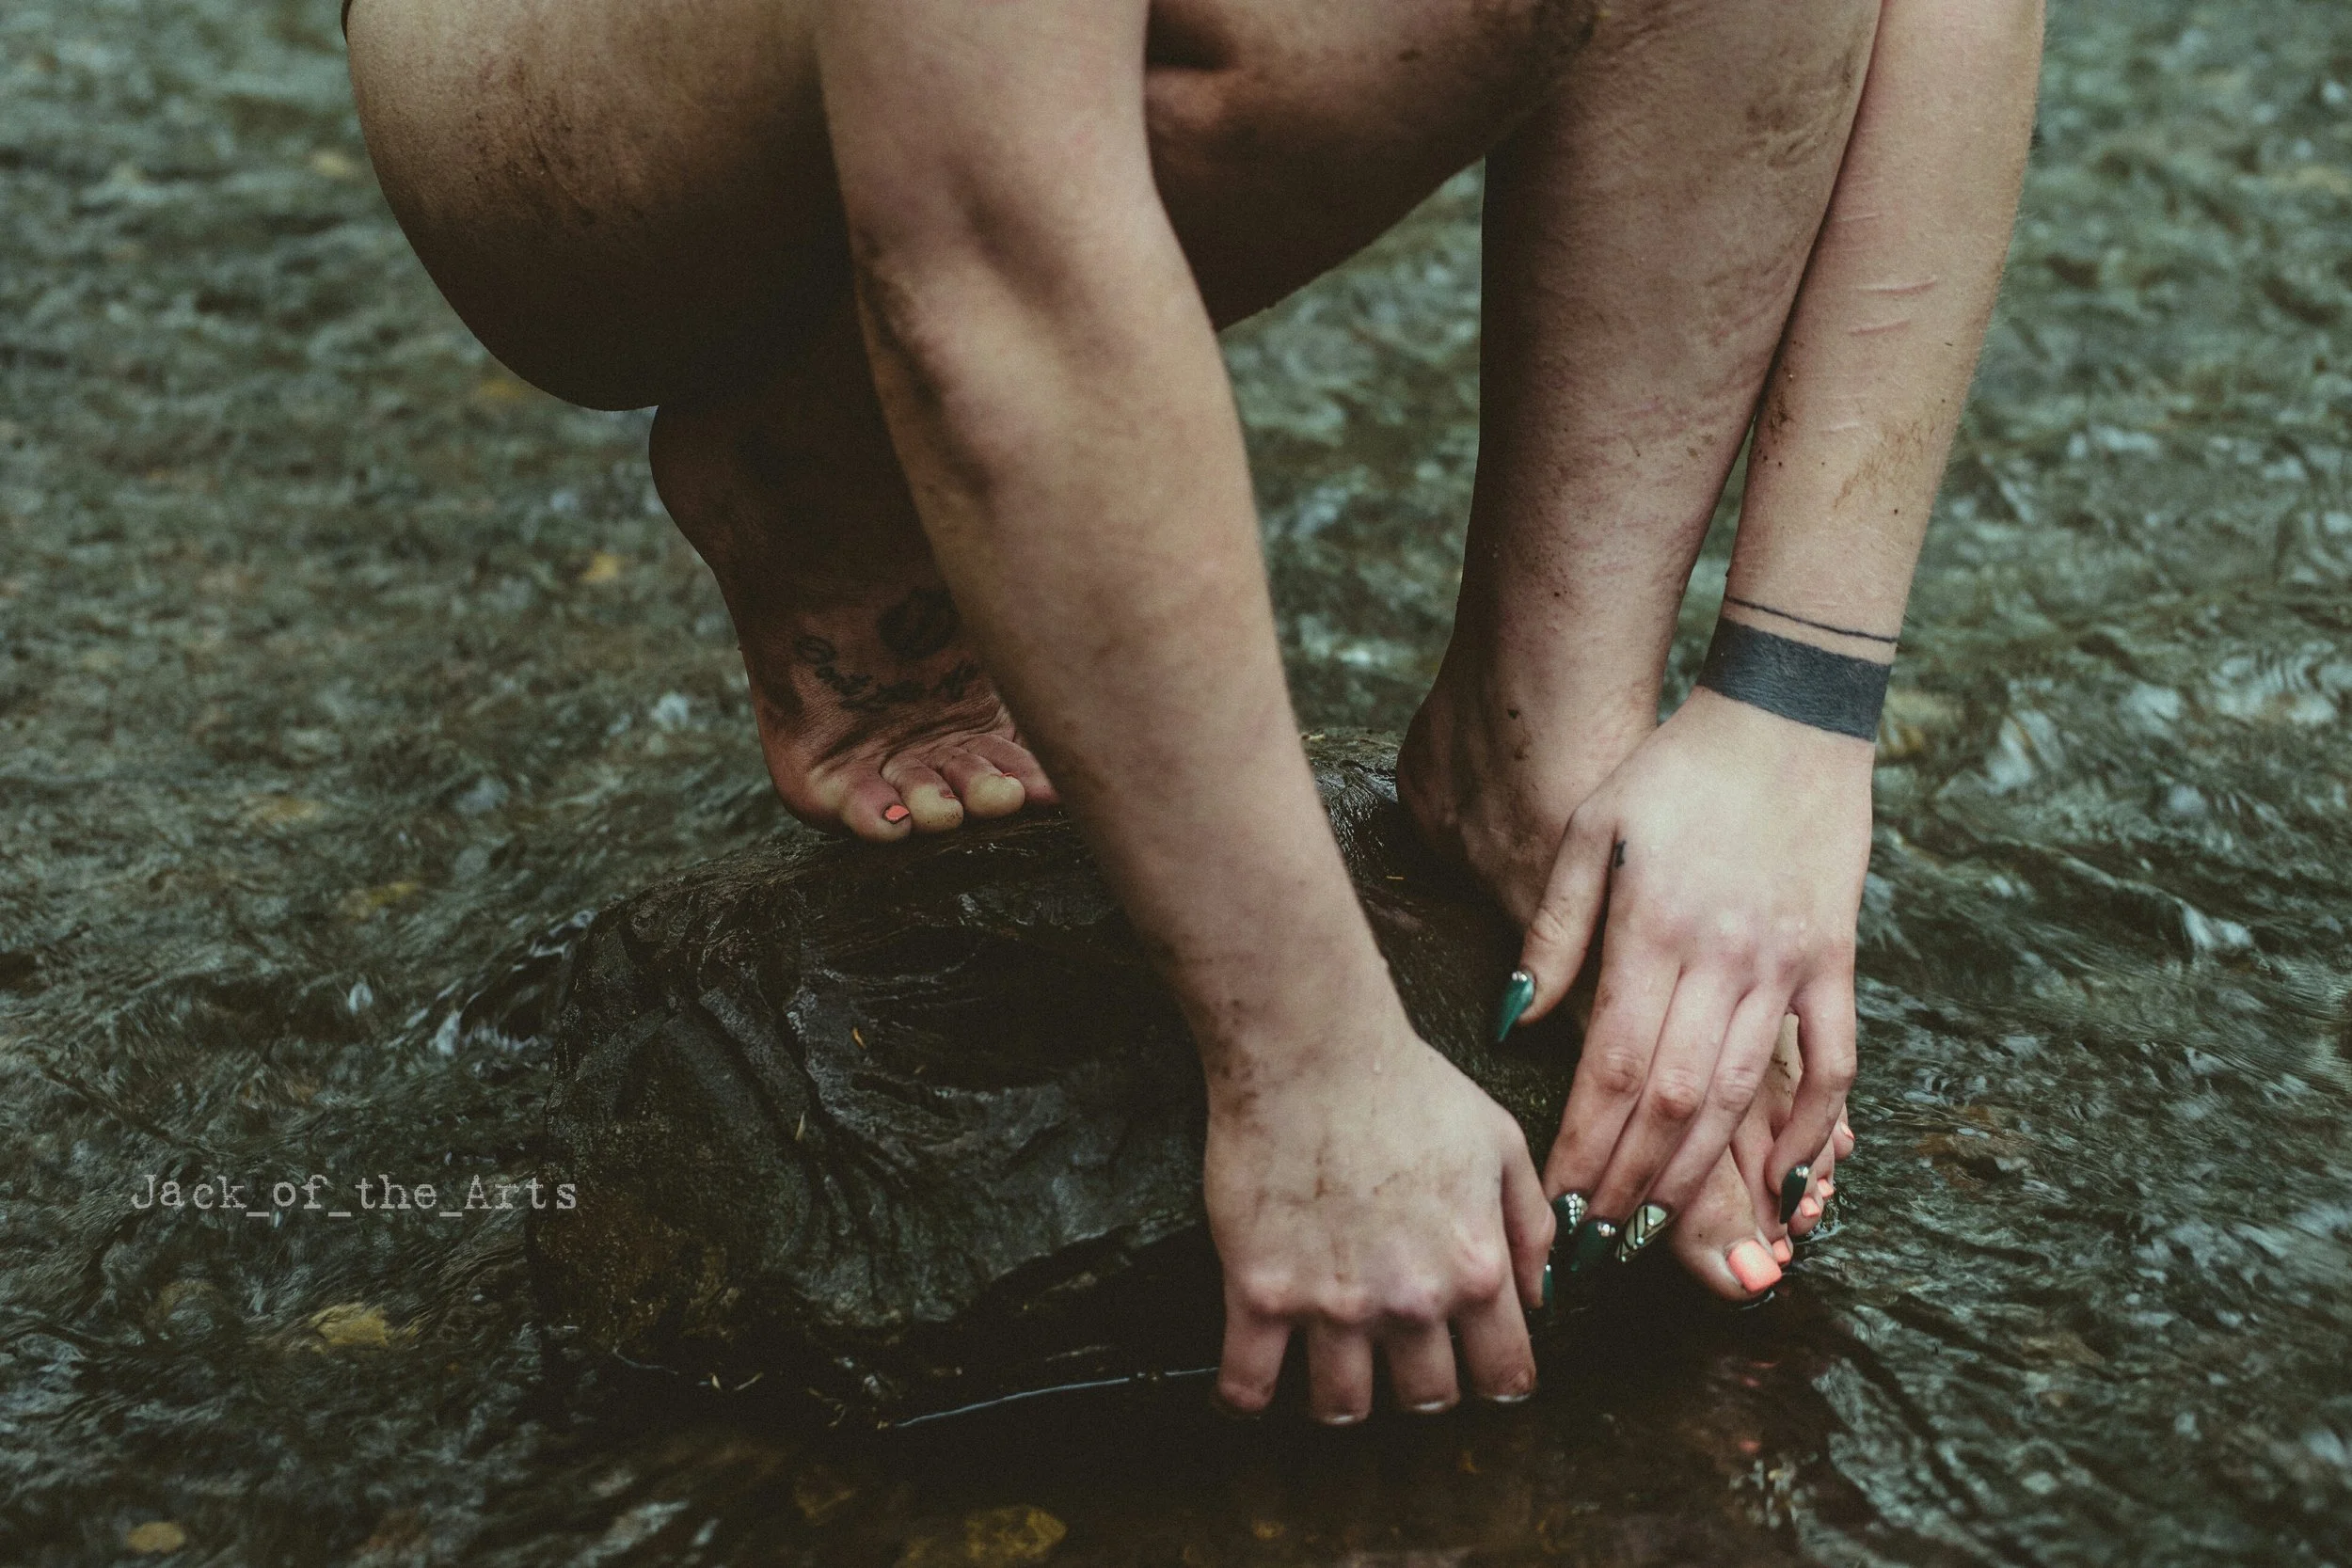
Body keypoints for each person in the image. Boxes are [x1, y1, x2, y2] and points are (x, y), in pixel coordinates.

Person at [342, 0, 2042, 1423]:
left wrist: (1790, 709)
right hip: (564, 72)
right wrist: (1305, 1053)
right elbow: (990, 224)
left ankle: (1541, 730)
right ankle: (837, 464)